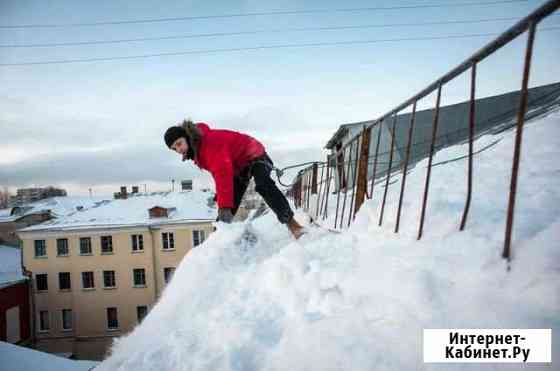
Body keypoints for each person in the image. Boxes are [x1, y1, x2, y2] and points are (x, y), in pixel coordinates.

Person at [164, 119, 305, 239]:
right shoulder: (197, 150)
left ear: (187, 136)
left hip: (255, 156)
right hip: (238, 167)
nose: (178, 149)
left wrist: (224, 206)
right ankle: (216, 241)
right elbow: (218, 173)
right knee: (227, 201)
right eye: (174, 149)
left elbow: (222, 172)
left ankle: (294, 226)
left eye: (179, 143)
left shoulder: (208, 144)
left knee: (263, 185)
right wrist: (222, 199)